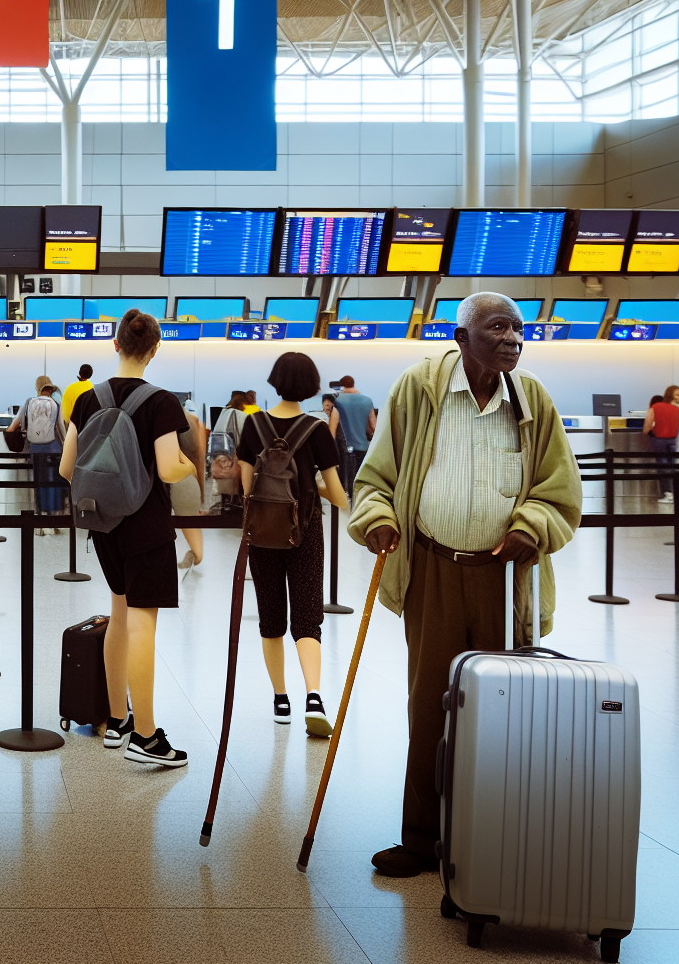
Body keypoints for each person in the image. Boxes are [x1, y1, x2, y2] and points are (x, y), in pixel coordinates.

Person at [348, 292, 581, 878]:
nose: (512, 338)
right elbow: (375, 477)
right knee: (429, 706)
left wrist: (533, 525)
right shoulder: (419, 391)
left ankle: (497, 836)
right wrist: (377, 517)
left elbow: (559, 489)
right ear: (461, 337)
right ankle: (421, 838)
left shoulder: (532, 399)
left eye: (518, 328)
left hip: (506, 578)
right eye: (497, 327)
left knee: (507, 709)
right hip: (432, 569)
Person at [60, 309, 195, 768]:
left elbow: (66, 468)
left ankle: (116, 720)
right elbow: (168, 468)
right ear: (155, 350)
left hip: (103, 524)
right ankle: (146, 735)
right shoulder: (163, 402)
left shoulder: (87, 399)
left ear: (115, 345)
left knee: (118, 616)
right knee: (142, 624)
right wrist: (191, 466)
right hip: (146, 525)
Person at [239, 352, 350, 737]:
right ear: (311, 386)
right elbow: (338, 496)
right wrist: (311, 485)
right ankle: (314, 696)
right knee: (307, 618)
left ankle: (280, 699)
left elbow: (246, 489)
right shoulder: (317, 430)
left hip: (263, 534)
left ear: (274, 381)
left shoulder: (252, 425)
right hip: (305, 533)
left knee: (271, 620)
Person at [8, 375, 64, 532]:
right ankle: (54, 523)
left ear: (37, 389)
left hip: (36, 449)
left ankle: (39, 522)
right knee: (53, 483)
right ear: (51, 390)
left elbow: (16, 426)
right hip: (53, 449)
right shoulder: (56, 404)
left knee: (38, 483)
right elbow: (60, 428)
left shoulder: (28, 403)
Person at [172, 398, 207, 568]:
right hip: (189, 481)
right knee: (191, 524)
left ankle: (196, 555)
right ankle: (195, 554)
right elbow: (199, 459)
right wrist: (201, 491)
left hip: (177, 480)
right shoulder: (194, 422)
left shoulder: (168, 422)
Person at [332, 375, 376, 492]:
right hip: (362, 447)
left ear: (342, 385)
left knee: (341, 486)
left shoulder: (336, 400)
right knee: (358, 484)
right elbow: (373, 427)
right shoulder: (367, 401)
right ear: (353, 384)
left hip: (342, 450)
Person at [209, 392, 248, 510]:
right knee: (237, 490)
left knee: (226, 491)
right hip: (234, 460)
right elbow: (244, 438)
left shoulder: (223, 414)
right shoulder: (239, 415)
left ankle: (226, 506)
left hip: (219, 460)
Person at [647, 390, 679, 503]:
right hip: (672, 441)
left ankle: (667, 493)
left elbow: (649, 426)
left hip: (660, 441)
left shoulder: (655, 410)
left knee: (662, 466)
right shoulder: (675, 411)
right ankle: (674, 492)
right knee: (672, 465)